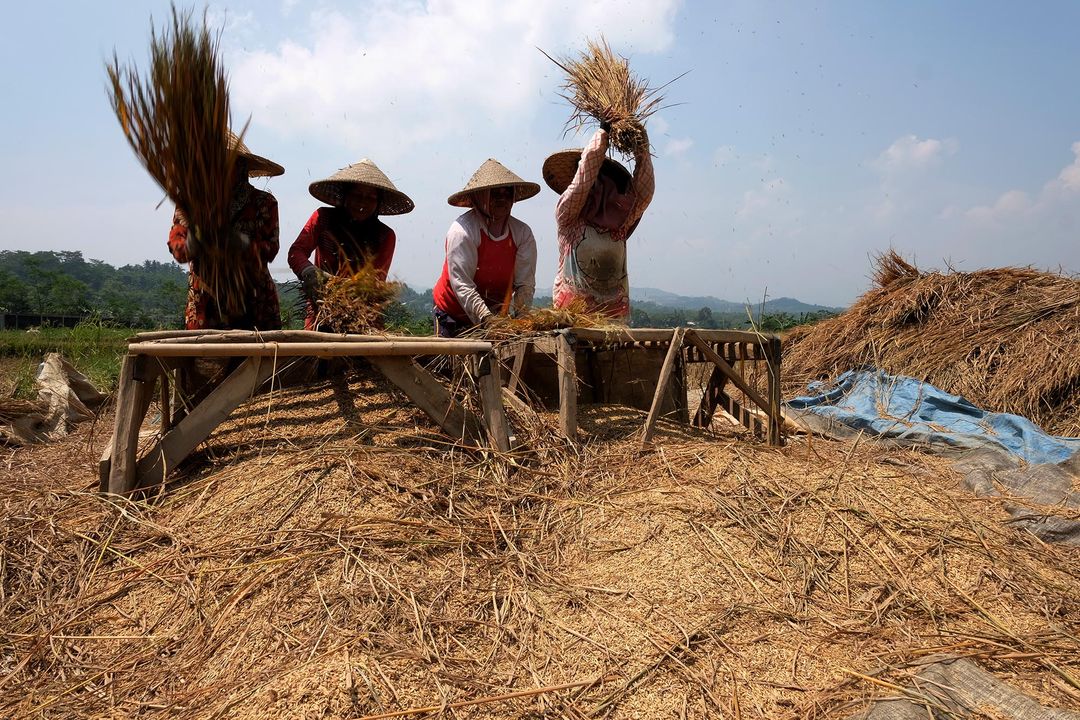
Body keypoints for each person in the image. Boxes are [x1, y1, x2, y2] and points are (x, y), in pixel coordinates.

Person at [167, 133, 284, 330]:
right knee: (206, 359)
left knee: (257, 359)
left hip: (254, 302)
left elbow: (270, 249)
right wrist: (197, 238)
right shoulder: (191, 205)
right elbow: (179, 249)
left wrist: (239, 242)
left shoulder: (263, 202)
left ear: (240, 167)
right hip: (207, 304)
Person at [542, 126, 654, 322]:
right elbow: (581, 184)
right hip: (574, 320)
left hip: (614, 322)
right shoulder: (569, 216)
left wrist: (641, 149)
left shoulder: (620, 222)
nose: (595, 187)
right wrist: (602, 134)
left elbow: (644, 193)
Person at [288, 160, 414, 329]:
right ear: (345, 196)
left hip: (363, 316)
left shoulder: (385, 236)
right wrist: (308, 271)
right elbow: (296, 251)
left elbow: (372, 283)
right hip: (321, 309)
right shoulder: (322, 218)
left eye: (370, 198)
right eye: (357, 195)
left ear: (378, 203)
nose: (362, 203)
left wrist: (336, 283)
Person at [432, 159, 540, 337]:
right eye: (495, 193)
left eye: (507, 193)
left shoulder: (522, 233)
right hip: (452, 312)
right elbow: (463, 286)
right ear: (480, 197)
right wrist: (487, 320)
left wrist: (521, 321)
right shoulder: (462, 231)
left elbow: (525, 284)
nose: (502, 198)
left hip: (496, 315)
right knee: (450, 362)